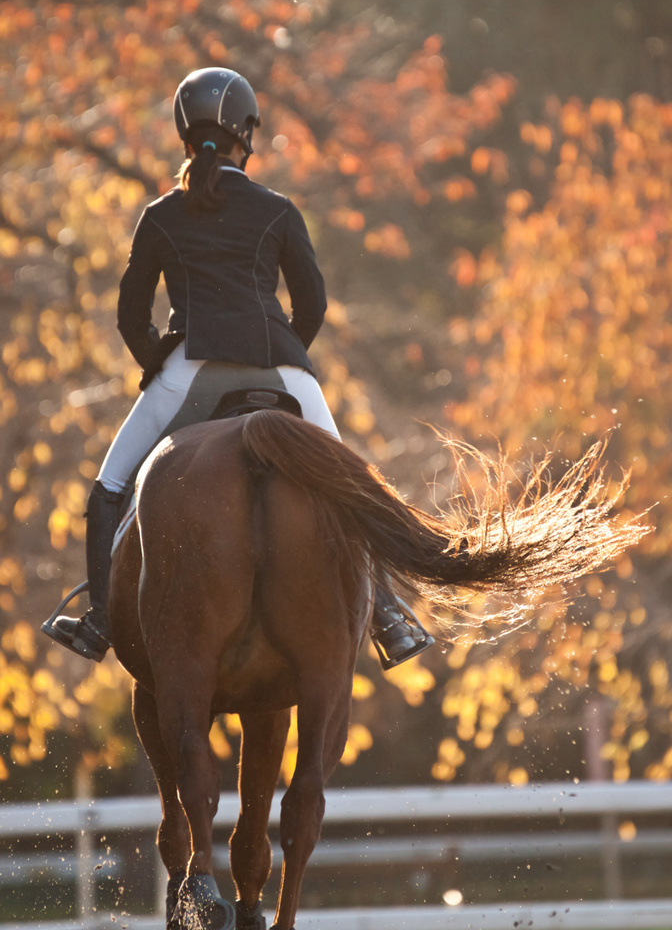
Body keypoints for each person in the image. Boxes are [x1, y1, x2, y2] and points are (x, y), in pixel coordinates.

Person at [42, 67, 434, 668]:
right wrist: (278, 351)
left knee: (110, 487)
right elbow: (313, 305)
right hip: (282, 371)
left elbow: (129, 315)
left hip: (190, 371)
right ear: (246, 133)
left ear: (183, 132)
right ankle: (387, 616)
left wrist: (162, 362)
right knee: (355, 490)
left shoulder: (160, 215)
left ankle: (98, 622)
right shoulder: (277, 209)